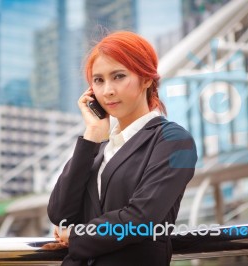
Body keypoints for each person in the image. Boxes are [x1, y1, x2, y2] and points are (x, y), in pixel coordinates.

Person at [47, 31, 197, 266]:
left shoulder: (173, 141)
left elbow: (140, 220)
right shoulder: (97, 148)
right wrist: (93, 134)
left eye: (118, 76)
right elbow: (59, 215)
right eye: (98, 80)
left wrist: (77, 235)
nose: (107, 91)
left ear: (146, 79)